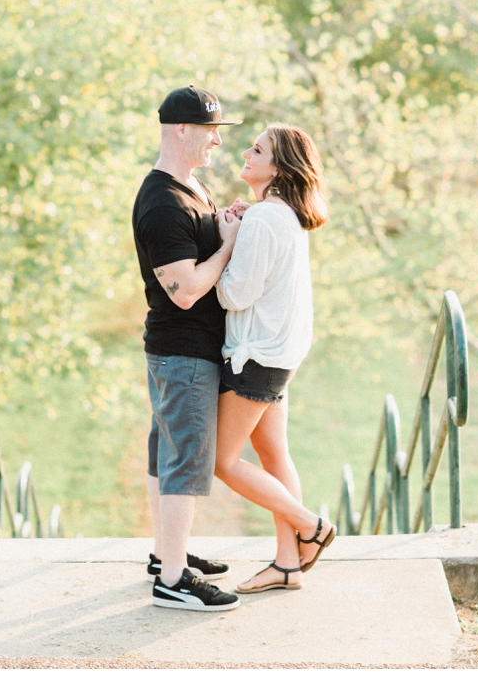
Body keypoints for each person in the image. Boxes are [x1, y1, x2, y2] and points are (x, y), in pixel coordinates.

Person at [132, 85, 246, 611]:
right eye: (210, 132)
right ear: (182, 129)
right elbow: (185, 291)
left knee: (166, 453)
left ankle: (164, 555)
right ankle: (173, 582)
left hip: (180, 351)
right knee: (185, 463)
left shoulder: (191, 188)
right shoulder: (161, 201)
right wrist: (226, 245)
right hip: (183, 351)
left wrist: (222, 224)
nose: (217, 143)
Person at [213, 123, 335, 593]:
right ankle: (286, 564)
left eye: (257, 149)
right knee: (272, 454)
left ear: (278, 167)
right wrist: (242, 229)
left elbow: (235, 294)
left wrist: (226, 240)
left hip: (257, 357)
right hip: (279, 354)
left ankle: (312, 526)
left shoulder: (264, 218)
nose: (246, 152)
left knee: (223, 462)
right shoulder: (278, 215)